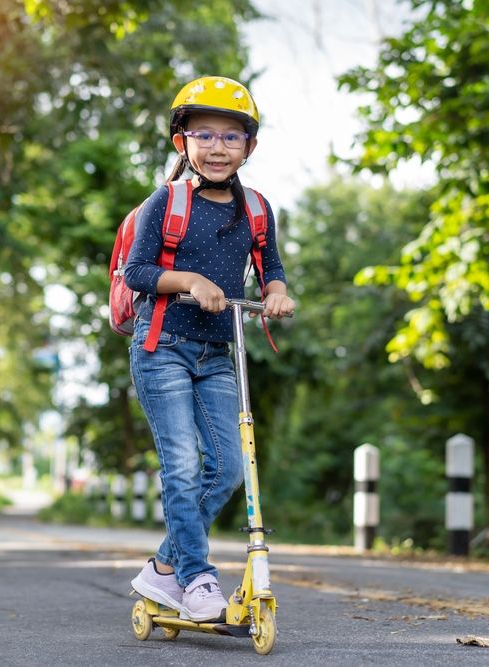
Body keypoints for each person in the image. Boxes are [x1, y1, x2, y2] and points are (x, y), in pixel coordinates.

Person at [124, 76, 295, 623]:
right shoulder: (167, 201)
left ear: (249, 146)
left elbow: (271, 268)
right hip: (162, 346)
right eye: (204, 135)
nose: (217, 148)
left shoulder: (257, 209)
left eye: (230, 137)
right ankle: (196, 577)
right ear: (183, 142)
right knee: (181, 465)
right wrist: (191, 281)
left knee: (228, 469)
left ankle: (163, 567)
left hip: (218, 354)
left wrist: (276, 293)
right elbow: (137, 271)